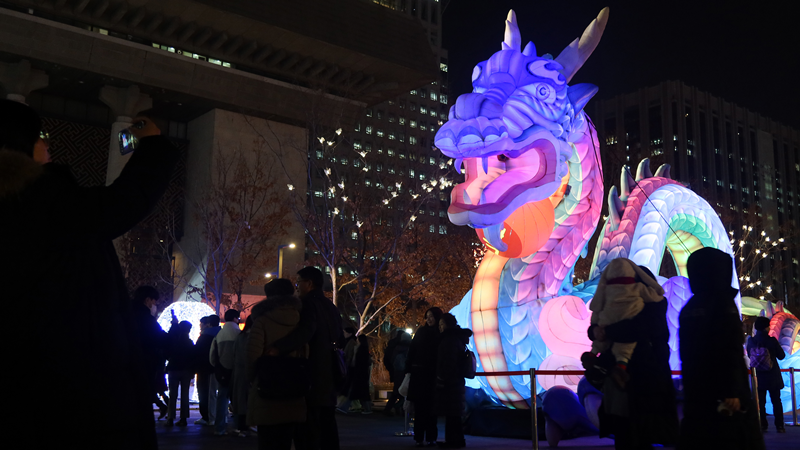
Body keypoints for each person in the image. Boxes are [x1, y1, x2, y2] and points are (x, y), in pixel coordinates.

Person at [1, 99, 179, 449]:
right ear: (17, 146)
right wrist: (154, 145)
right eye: (40, 137)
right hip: (66, 382)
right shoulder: (39, 200)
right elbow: (121, 204)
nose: (47, 144)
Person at [582, 265, 679, 450]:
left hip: (641, 383)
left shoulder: (648, 309)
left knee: (634, 433)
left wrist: (603, 332)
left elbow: (631, 331)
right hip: (634, 384)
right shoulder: (644, 308)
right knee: (630, 433)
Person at [678, 248, 764, 450]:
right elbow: (729, 348)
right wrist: (731, 389)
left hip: (697, 393)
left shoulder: (689, 307)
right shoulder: (723, 303)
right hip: (727, 396)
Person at [268, 267, 345, 450]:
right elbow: (340, 338)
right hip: (331, 371)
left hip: (313, 371)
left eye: (299, 282)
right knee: (327, 421)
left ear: (309, 283)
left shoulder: (307, 304)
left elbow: (305, 332)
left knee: (309, 424)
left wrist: (278, 348)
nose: (297, 286)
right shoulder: (331, 307)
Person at [247, 285, 308, 450]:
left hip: (267, 387)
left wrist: (252, 378)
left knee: (267, 440)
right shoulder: (301, 321)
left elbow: (253, 354)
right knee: (285, 439)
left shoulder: (262, 320)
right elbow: (305, 352)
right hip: (293, 388)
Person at [588, 258, 665, 387]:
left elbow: (635, 329)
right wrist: (594, 330)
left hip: (645, 379)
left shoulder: (654, 306)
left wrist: (602, 331)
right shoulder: (624, 306)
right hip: (629, 380)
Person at [405, 307, 444, 447]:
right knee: (420, 409)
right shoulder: (421, 332)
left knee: (432, 409)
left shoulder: (440, 333)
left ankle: (431, 437)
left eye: (432, 316)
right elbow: (412, 351)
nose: (429, 319)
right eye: (427, 316)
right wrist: (409, 369)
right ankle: (419, 437)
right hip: (420, 375)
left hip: (432, 376)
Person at [132, 285, 170, 420]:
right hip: (146, 361)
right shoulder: (146, 318)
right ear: (147, 300)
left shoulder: (127, 314)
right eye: (154, 302)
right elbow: (159, 337)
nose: (154, 305)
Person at [435, 313, 472, 449]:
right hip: (457, 381)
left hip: (450, 382)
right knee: (454, 414)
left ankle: (452, 441)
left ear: (448, 325)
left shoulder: (449, 340)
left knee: (451, 413)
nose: (440, 327)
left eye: (442, 324)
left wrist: (442, 378)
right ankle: (456, 439)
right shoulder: (458, 338)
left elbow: (448, 362)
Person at [746, 316, 786, 433]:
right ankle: (780, 426)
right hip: (772, 375)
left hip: (758, 376)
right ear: (766, 327)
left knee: (760, 402)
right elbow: (781, 356)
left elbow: (750, 355)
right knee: (776, 401)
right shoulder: (771, 340)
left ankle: (763, 425)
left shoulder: (751, 341)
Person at [210, 309, 242, 435]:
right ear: (235, 318)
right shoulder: (239, 333)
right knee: (238, 400)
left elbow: (212, 356)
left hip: (222, 372)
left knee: (221, 399)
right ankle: (239, 427)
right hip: (237, 372)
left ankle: (219, 427)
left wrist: (218, 366)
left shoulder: (219, 335)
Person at [165, 320, 195, 427]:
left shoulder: (174, 341)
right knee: (185, 394)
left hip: (173, 369)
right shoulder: (190, 342)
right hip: (186, 370)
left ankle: (170, 418)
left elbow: (167, 353)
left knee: (173, 394)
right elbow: (193, 357)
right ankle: (183, 418)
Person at [195, 315, 222, 425]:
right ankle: (218, 416)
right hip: (219, 368)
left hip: (204, 368)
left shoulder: (205, 337)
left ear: (208, 324)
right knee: (217, 394)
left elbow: (197, 352)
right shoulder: (221, 334)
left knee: (204, 393)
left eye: (202, 324)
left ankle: (208, 417)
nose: (201, 326)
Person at [231, 316, 254, 437]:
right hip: (249, 372)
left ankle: (241, 426)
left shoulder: (240, 336)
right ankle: (246, 425)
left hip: (239, 372)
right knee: (248, 399)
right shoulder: (253, 337)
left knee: (240, 400)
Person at [384, 330, 411, 415]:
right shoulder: (407, 349)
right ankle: (397, 407)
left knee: (397, 391)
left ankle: (392, 408)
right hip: (403, 373)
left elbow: (388, 360)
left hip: (396, 372)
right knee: (401, 392)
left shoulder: (396, 347)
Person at [346, 334, 374, 415]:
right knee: (363, 392)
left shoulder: (360, 349)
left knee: (358, 392)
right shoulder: (364, 349)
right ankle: (367, 408)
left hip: (359, 373)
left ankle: (365, 409)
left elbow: (357, 362)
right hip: (363, 373)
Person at [336, 327, 360, 412]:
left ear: (349, 333)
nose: (344, 334)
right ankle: (346, 405)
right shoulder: (350, 342)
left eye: (345, 332)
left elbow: (349, 356)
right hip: (348, 367)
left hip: (348, 367)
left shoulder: (351, 343)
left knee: (347, 387)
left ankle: (343, 405)